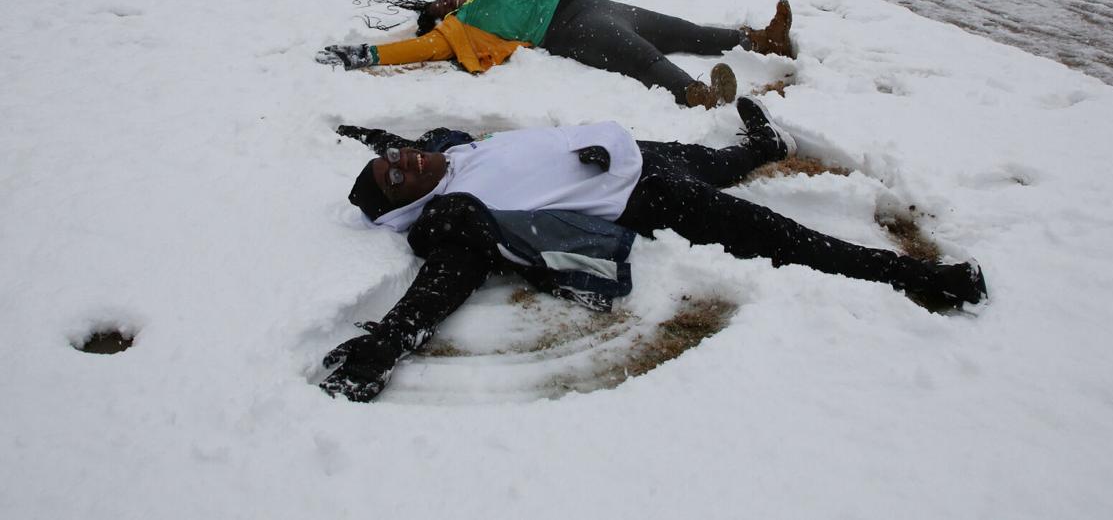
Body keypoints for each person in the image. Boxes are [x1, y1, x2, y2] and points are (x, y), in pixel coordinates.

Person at [318, 107, 988, 401]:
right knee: (780, 237)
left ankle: (764, 143)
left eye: (393, 157)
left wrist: (365, 136)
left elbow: (406, 144)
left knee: (722, 161)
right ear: (406, 205)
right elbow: (445, 280)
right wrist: (388, 341)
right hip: (648, 202)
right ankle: (919, 275)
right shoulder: (451, 218)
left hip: (639, 152)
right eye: (396, 175)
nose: (403, 160)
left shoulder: (449, 148)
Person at [317, 0, 795, 109]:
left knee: (680, 29)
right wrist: (364, 54)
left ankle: (760, 41)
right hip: (569, 29)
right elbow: (416, 50)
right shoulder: (456, 29)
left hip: (592, 0)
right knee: (643, 57)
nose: (447, 0)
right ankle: (696, 94)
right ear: (439, 17)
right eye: (440, 5)